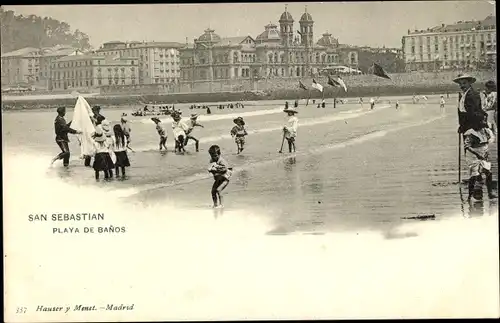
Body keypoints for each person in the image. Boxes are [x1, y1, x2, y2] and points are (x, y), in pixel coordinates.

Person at [463, 115, 497, 201]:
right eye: (483, 121)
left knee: (488, 172)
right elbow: (467, 146)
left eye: (485, 121)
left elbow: (491, 139)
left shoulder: (486, 131)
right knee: (475, 175)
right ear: (477, 122)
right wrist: (477, 154)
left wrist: (485, 152)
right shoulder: (471, 133)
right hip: (473, 155)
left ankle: (490, 193)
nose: (485, 122)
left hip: (483, 154)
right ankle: (470, 196)